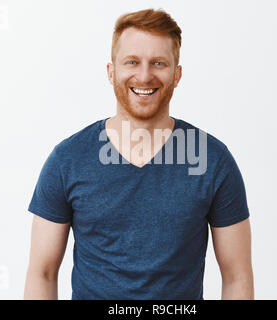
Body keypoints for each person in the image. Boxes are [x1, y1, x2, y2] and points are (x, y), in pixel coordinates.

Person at [24, 8, 254, 300]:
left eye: (158, 63)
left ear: (177, 74)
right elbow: (41, 274)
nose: (144, 76)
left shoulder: (213, 161)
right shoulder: (67, 160)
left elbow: (237, 278)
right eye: (132, 62)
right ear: (111, 72)